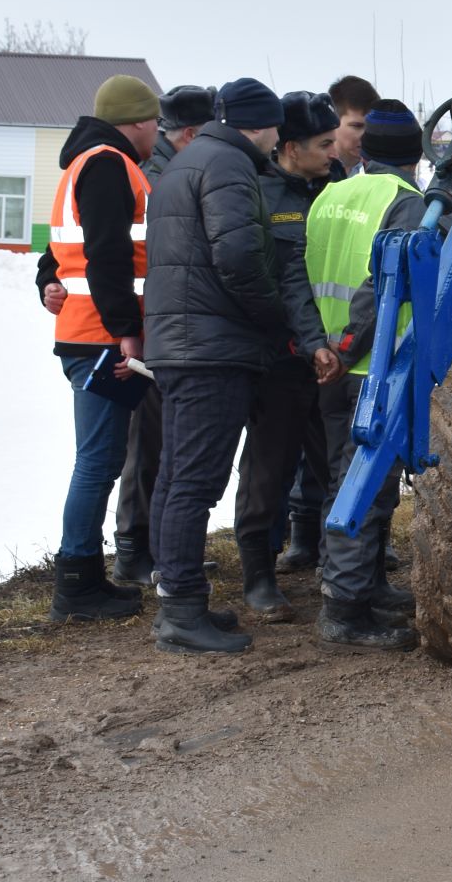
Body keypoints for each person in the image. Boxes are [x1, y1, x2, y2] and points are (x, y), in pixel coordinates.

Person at [143, 78, 318, 654]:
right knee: (193, 482)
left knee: (175, 476)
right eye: (273, 126)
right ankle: (180, 612)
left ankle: (182, 597)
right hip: (211, 348)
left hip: (178, 340)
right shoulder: (229, 166)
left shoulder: (187, 160)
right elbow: (240, 256)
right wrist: (274, 322)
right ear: (261, 125)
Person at [34, 74, 160, 623]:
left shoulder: (83, 163)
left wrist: (46, 278)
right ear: (136, 121)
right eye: (155, 121)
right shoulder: (109, 163)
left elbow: (61, 247)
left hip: (86, 331)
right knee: (98, 461)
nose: (158, 132)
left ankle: (84, 579)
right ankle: (77, 585)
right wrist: (126, 329)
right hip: (100, 337)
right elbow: (107, 253)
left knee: (103, 459)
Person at [305, 100, 430, 651]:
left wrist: (323, 347)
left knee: (344, 476)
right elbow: (380, 287)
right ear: (417, 155)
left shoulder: (330, 196)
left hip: (326, 363)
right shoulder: (406, 204)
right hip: (368, 364)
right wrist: (353, 343)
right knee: (364, 486)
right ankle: (346, 608)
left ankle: (366, 584)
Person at [230, 92, 344, 622]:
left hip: (338, 358)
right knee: (267, 470)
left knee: (337, 470)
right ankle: (258, 577)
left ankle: (343, 572)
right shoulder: (256, 193)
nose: (333, 151)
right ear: (290, 147)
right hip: (280, 359)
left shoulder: (341, 190)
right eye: (324, 144)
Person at [109, 83, 216, 585]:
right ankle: (135, 550)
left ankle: (150, 548)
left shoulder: (163, 172)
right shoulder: (158, 179)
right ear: (191, 134)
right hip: (150, 330)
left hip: (158, 325)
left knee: (161, 443)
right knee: (148, 442)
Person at [327, 75, 380, 178]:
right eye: (357, 126)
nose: (366, 135)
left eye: (372, 127)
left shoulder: (376, 176)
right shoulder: (308, 175)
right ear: (333, 122)